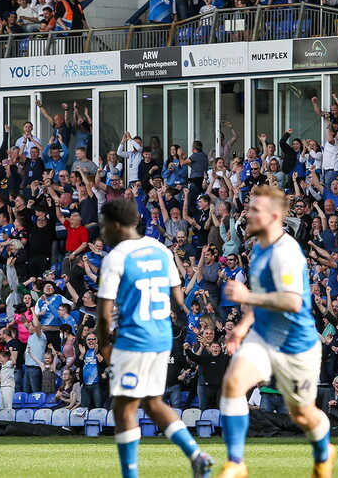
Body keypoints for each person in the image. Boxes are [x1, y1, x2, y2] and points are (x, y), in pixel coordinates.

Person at [216, 186, 336, 478]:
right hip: (265, 337)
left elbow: (291, 301)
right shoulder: (258, 249)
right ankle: (236, 463)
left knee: (302, 415)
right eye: (249, 208)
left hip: (296, 343)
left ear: (274, 216)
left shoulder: (287, 253)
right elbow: (262, 296)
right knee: (233, 384)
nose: (248, 214)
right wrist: (242, 327)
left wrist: (247, 298)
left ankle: (324, 452)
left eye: (255, 210)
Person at [95, 199, 214, 478]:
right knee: (152, 402)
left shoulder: (117, 257)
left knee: (123, 406)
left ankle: (131, 474)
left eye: (103, 226)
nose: (102, 233)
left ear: (115, 225)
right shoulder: (161, 250)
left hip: (134, 338)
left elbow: (102, 315)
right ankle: (196, 455)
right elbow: (177, 296)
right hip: (161, 338)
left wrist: (105, 345)